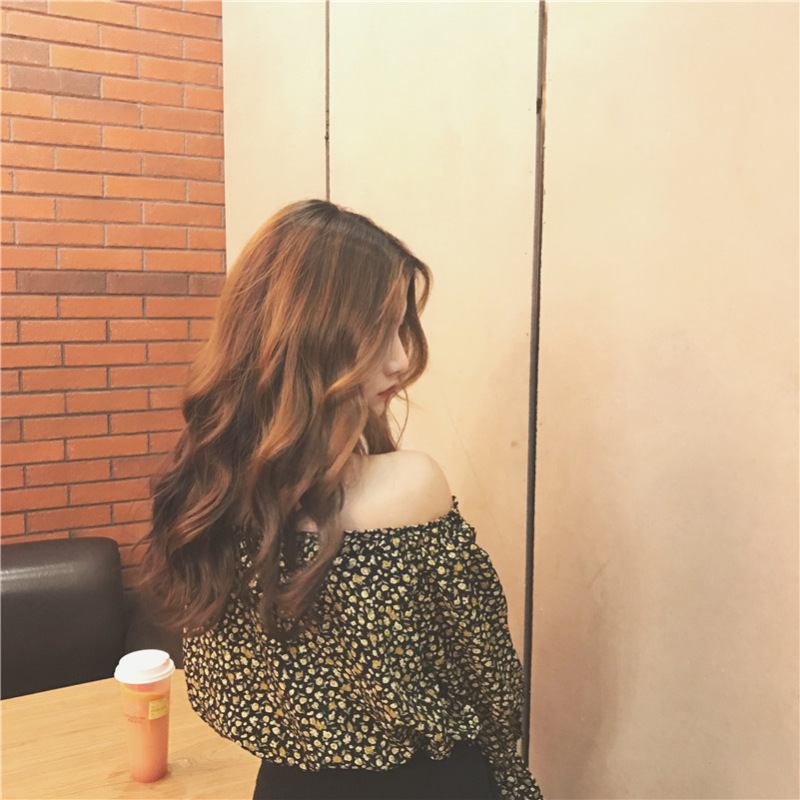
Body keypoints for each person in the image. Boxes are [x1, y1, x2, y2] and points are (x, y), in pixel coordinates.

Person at [138, 199, 544, 800]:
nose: (402, 360)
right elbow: (491, 681)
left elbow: (218, 686)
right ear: (310, 338)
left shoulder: (210, 495)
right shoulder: (411, 487)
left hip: (285, 786)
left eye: (402, 330)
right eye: (380, 333)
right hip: (430, 785)